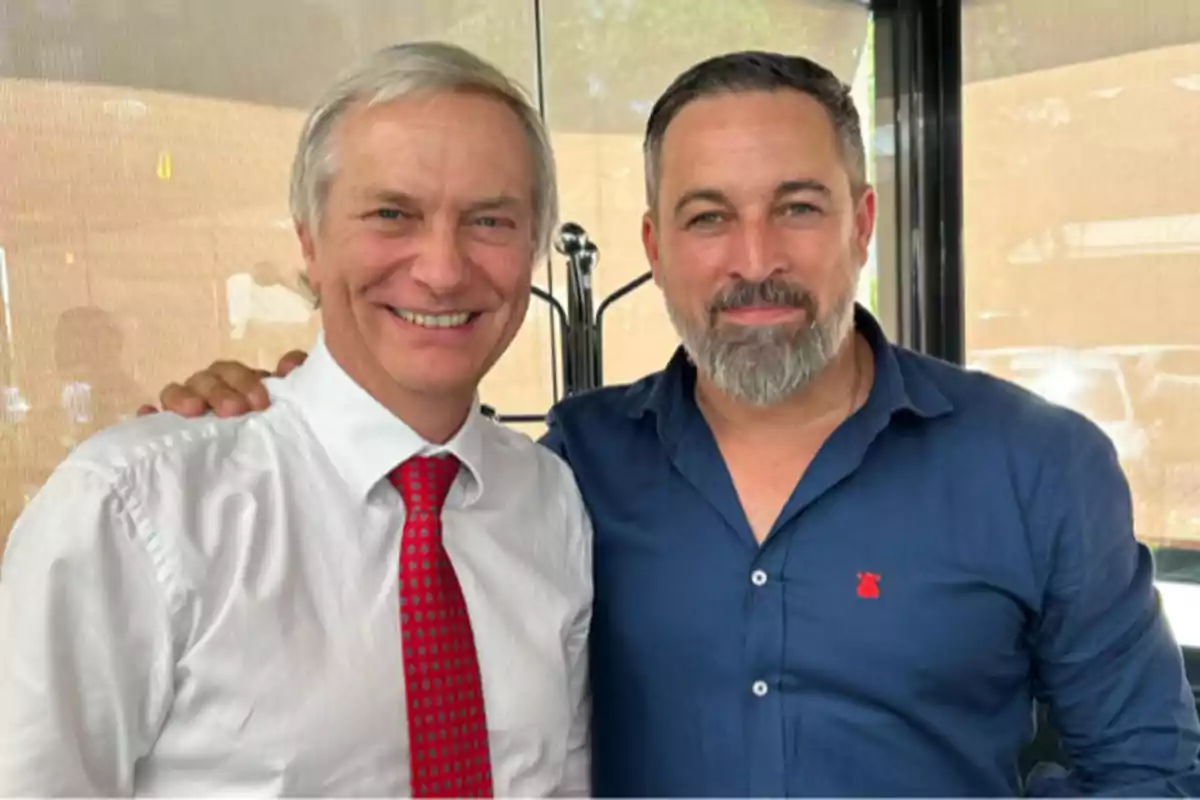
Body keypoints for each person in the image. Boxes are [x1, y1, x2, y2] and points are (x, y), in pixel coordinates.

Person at [144, 50, 1200, 796]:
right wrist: (281, 403)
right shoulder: (566, 468)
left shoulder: (1037, 465)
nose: (754, 259)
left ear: (863, 223)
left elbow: (1149, 766)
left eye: (798, 207)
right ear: (655, 244)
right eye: (708, 217)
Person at [0, 42, 592, 797]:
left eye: (489, 221)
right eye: (391, 214)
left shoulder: (551, 503)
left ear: (533, 249)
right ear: (310, 241)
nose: (443, 270)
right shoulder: (136, 510)